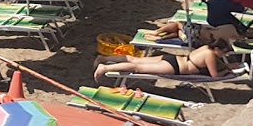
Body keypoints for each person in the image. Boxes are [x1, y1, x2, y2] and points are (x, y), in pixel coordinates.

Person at [94, 43, 231, 82]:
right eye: (223, 53)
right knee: (137, 68)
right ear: (217, 49)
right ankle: (105, 68)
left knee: (137, 60)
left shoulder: (205, 48)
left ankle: (104, 58)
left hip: (173, 58)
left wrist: (228, 66)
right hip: (175, 67)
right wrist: (226, 71)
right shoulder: (210, 54)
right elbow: (214, 76)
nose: (223, 56)